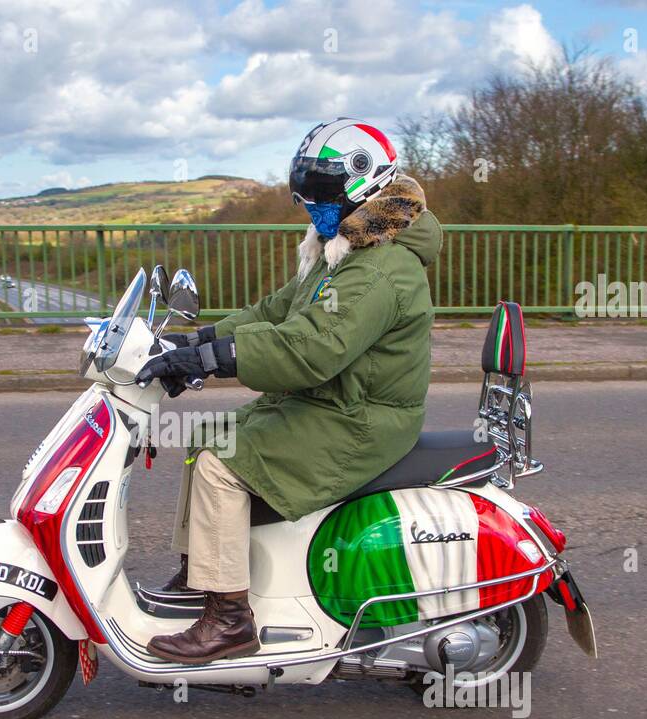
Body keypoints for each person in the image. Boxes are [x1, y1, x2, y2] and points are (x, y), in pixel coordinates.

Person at [133, 118, 443, 665]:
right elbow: (275, 313)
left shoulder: (378, 269)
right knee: (204, 439)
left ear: (362, 187)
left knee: (220, 465)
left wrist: (214, 359)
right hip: (329, 403)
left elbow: (310, 349)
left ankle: (229, 620)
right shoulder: (344, 246)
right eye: (306, 195)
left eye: (321, 195)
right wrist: (198, 340)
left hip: (359, 420)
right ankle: (206, 574)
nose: (310, 207)